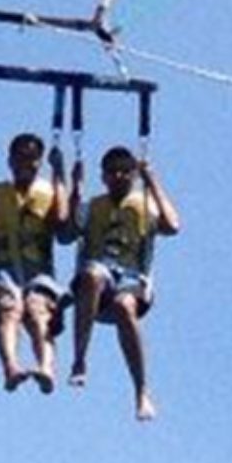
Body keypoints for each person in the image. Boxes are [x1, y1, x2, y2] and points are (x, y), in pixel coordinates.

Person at [68, 145, 182, 421]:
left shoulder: (145, 204)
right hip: (98, 277)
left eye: (125, 172)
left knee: (124, 306)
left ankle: (142, 391)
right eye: (112, 172)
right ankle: (80, 359)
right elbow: (67, 230)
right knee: (93, 274)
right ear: (104, 176)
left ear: (132, 175)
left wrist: (151, 180)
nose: (119, 177)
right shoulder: (91, 207)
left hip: (132, 279)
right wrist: (74, 186)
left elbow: (173, 225)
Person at [0, 132, 71, 394]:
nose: (27, 162)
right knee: (8, 312)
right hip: (1, 267)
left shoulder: (49, 190)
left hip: (38, 270)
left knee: (38, 313)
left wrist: (61, 176)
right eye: (21, 157)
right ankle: (11, 367)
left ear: (40, 161)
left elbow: (65, 230)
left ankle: (46, 367)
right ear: (10, 160)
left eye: (33, 158)